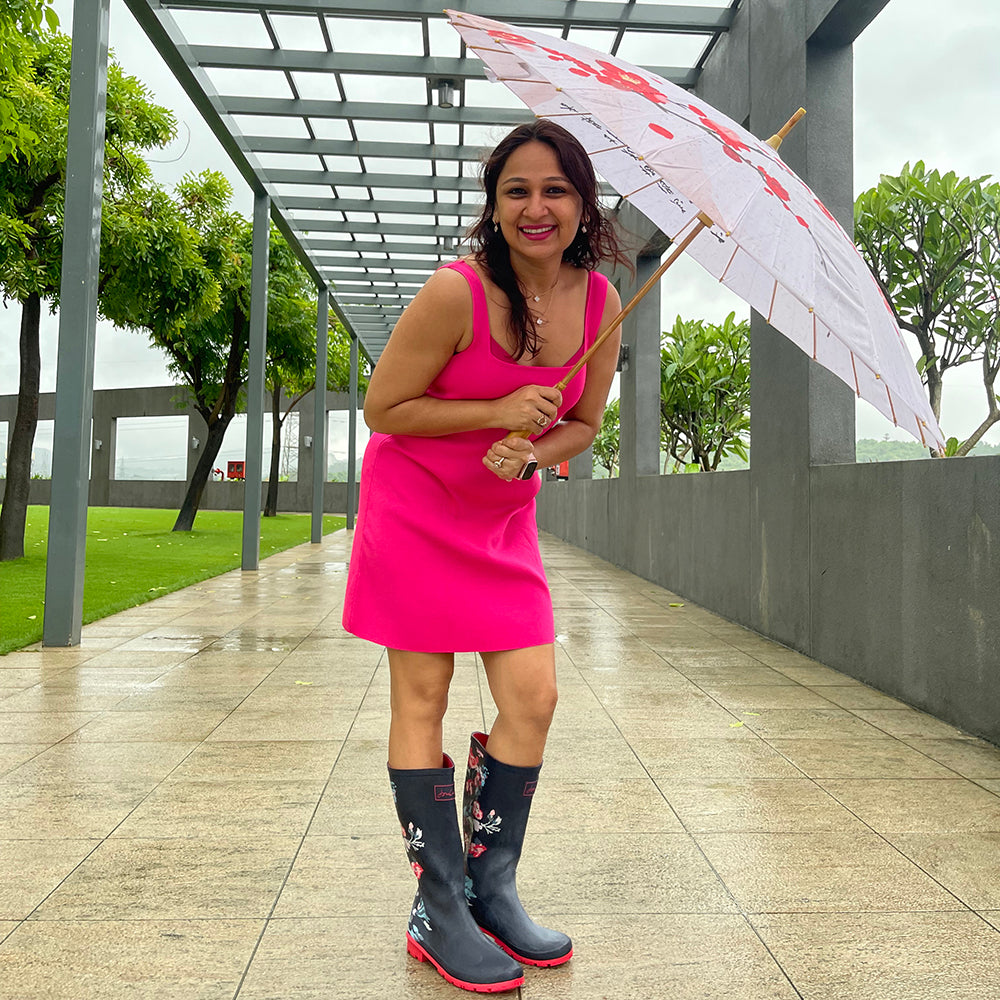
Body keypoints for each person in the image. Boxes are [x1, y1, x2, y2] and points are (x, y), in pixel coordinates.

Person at [342, 119, 628, 993]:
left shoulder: (603, 302)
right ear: (493, 206)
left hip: (502, 524)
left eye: (556, 191)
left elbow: (584, 422)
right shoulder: (455, 293)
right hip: (417, 512)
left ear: (582, 205)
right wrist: (494, 414)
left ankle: (490, 889)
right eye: (517, 191)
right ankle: (439, 907)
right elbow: (383, 407)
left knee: (533, 697)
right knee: (421, 696)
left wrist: (536, 449)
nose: (536, 208)